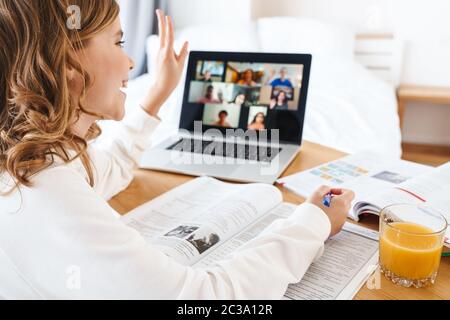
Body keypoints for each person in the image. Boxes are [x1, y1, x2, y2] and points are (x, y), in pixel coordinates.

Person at [0, 1, 355, 299]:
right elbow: (202, 299)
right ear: (66, 62)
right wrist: (313, 222)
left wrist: (158, 93)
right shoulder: (48, 191)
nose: (130, 63)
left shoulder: (34, 158)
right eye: (118, 42)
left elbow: (110, 169)